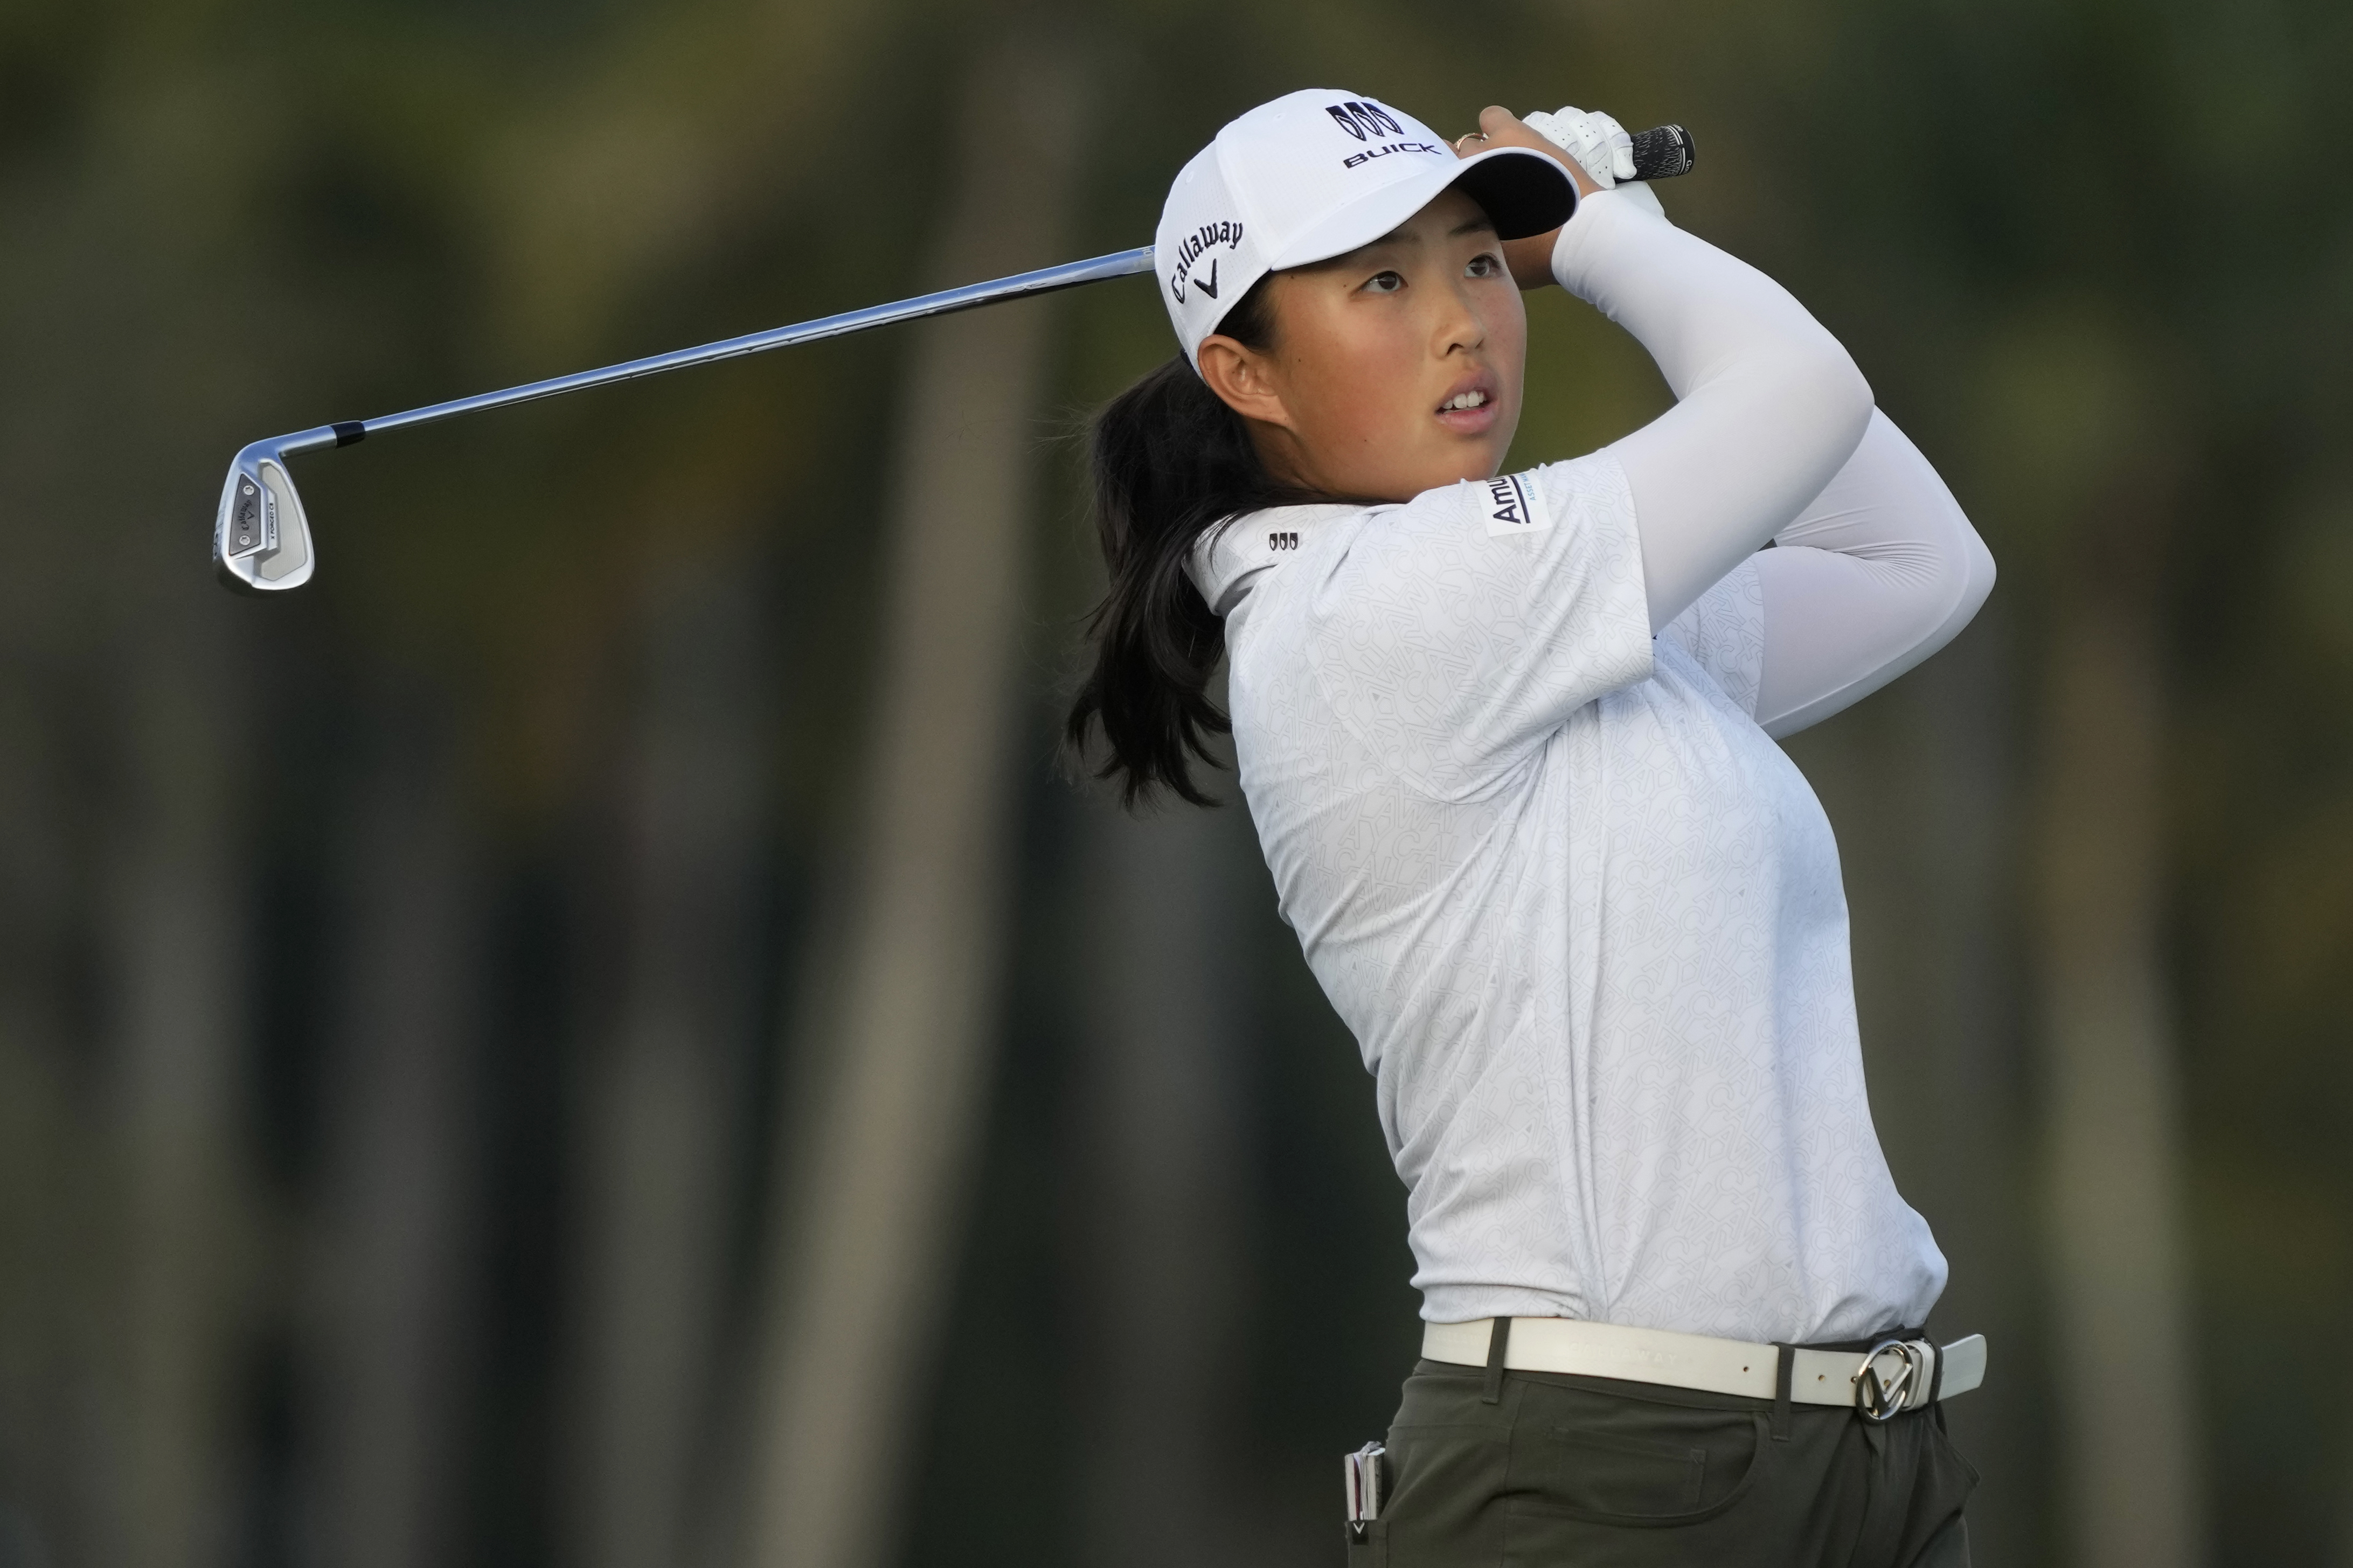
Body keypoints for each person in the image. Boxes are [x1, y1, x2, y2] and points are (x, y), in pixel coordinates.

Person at [1066, 88, 1995, 1567]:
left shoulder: (1565, 623)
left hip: (1867, 1464)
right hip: (1605, 1476)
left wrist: (1631, 230)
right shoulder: (1372, 611)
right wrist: (1612, 241)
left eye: (1484, 261)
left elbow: (1918, 560)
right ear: (1244, 372)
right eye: (1382, 281)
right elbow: (1803, 394)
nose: (1463, 323)